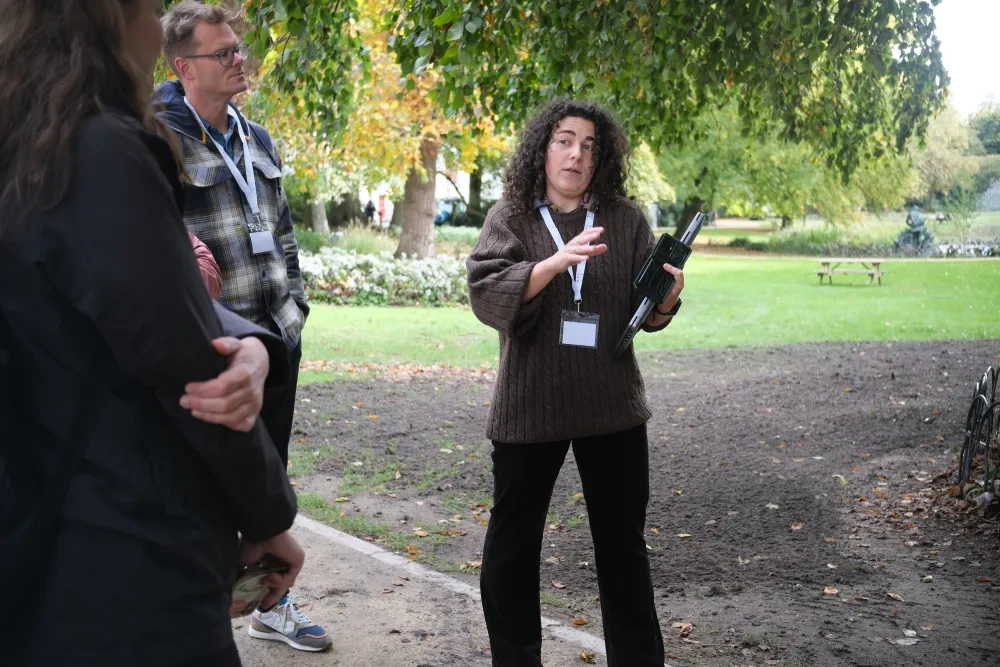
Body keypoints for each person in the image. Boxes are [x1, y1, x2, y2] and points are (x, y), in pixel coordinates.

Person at [0, 1, 306, 665]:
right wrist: (267, 516)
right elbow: (188, 365)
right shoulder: (98, 147)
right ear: (112, 19)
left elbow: (132, 290)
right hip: (120, 538)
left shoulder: (27, 137)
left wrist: (259, 340)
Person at [466, 98, 685, 667]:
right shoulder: (510, 217)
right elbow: (485, 293)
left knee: (623, 550)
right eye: (564, 141)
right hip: (529, 405)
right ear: (543, 150)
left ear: (601, 157)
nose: (576, 155)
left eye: (589, 145)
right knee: (512, 548)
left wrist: (666, 301)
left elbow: (647, 316)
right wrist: (553, 263)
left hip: (612, 407)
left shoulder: (626, 219)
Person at [157, 2, 329, 652]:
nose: (239, 61)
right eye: (223, 52)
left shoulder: (256, 137)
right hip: (213, 349)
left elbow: (282, 232)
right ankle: (195, 623)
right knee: (205, 486)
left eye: (238, 49)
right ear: (184, 66)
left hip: (276, 341)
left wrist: (293, 313)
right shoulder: (158, 139)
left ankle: (267, 607)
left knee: (267, 475)